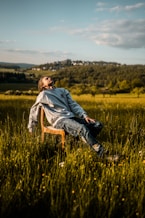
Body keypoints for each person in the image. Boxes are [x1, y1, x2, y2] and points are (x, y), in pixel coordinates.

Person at [28, 76, 119, 161]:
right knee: (82, 128)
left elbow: (73, 104)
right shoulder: (43, 94)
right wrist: (31, 127)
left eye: (49, 77)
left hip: (70, 117)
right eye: (46, 78)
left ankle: (82, 142)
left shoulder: (62, 91)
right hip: (59, 120)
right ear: (42, 85)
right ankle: (103, 154)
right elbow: (34, 109)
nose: (50, 78)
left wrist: (84, 115)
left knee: (97, 124)